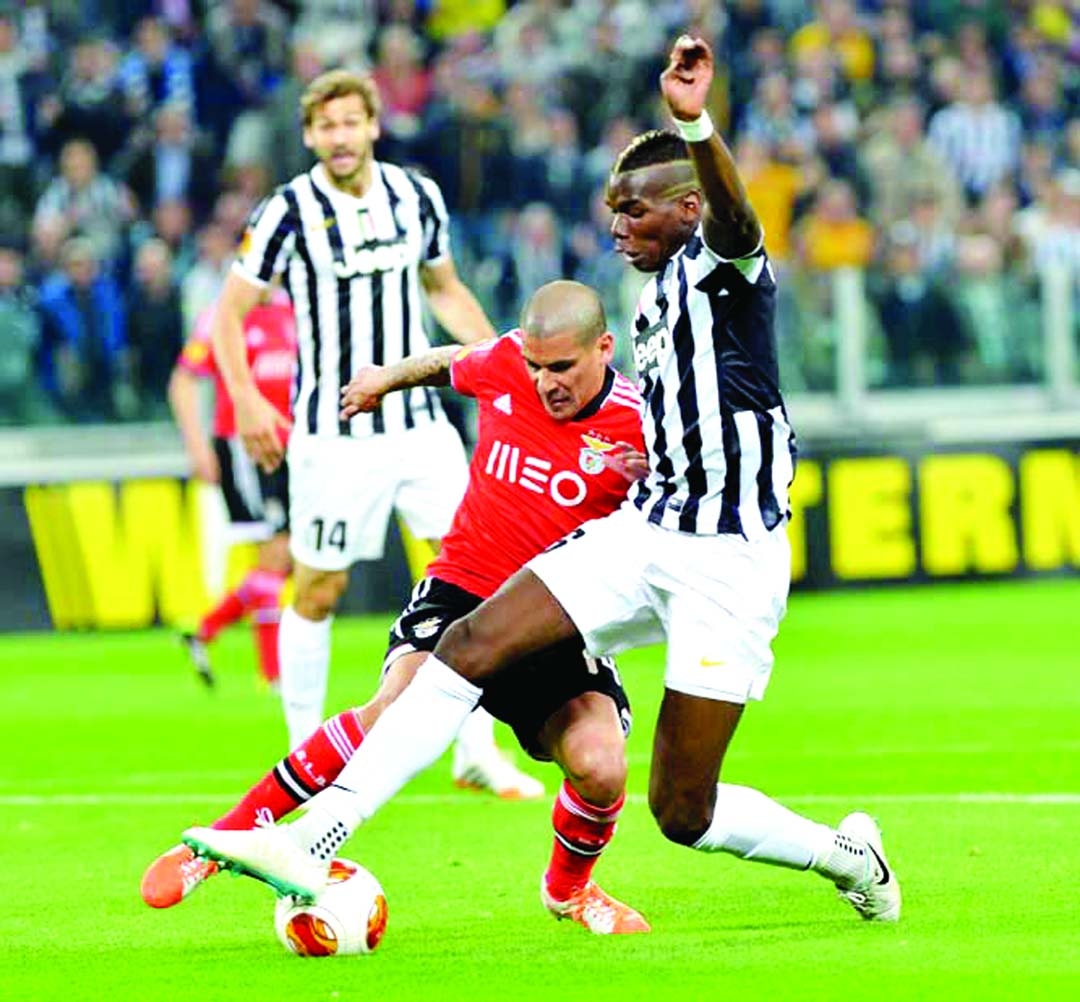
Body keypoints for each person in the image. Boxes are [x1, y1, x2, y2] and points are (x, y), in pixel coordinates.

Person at [182, 36, 902, 925]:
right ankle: (318, 833)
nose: (617, 230)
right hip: (650, 528)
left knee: (683, 811)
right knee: (471, 641)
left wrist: (695, 123)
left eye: (633, 214)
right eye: (611, 215)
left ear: (686, 208)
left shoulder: (727, 271)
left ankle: (850, 858)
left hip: (729, 563)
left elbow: (740, 222)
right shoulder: (654, 289)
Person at [149, 281, 651, 934]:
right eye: (535, 366)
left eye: (561, 367)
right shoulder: (504, 363)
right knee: (396, 703)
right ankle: (217, 842)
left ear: (604, 348)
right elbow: (450, 360)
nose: (544, 381)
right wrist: (384, 379)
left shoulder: (642, 426)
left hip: (559, 612)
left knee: (601, 765)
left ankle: (570, 890)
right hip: (463, 589)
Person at [208, 67, 539, 796]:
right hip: (333, 434)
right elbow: (227, 314)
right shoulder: (286, 211)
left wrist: (501, 368)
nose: (340, 137)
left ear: (373, 125)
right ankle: (306, 756)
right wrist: (248, 400)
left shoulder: (415, 197)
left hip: (422, 427)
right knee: (318, 588)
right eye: (326, 126)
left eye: (351, 122)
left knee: (480, 581)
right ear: (309, 135)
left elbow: (443, 288)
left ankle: (475, 751)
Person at [168, 283, 297, 688]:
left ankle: (203, 632)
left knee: (283, 560)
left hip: (292, 449)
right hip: (245, 449)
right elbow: (183, 382)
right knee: (276, 555)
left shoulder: (293, 309)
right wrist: (197, 447)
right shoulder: (222, 314)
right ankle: (273, 676)